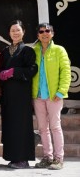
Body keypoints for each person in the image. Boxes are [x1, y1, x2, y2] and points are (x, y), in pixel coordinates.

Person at [0, 20, 38, 169]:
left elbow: (32, 70)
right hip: (8, 95)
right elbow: (0, 68)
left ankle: (23, 159)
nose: (15, 33)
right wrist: (1, 73)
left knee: (21, 126)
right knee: (10, 126)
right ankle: (13, 157)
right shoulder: (4, 51)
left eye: (18, 30)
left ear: (23, 32)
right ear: (9, 33)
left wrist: (14, 72)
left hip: (21, 95)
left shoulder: (28, 51)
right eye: (12, 30)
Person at [32, 23, 71, 170]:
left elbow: (66, 72)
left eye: (47, 31)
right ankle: (47, 157)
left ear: (52, 33)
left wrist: (61, 91)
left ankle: (58, 158)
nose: (44, 33)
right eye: (41, 31)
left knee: (55, 126)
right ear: (38, 35)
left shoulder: (59, 50)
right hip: (38, 96)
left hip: (54, 95)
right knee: (42, 128)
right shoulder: (33, 50)